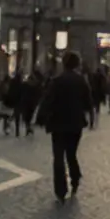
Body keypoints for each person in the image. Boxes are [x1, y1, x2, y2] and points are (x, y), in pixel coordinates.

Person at [37, 51, 92, 202]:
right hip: (75, 123)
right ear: (77, 64)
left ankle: (60, 190)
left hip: (58, 123)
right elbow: (88, 103)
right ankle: (75, 178)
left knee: (58, 157)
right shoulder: (81, 81)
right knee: (71, 154)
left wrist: (40, 117)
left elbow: (47, 100)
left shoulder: (57, 81)